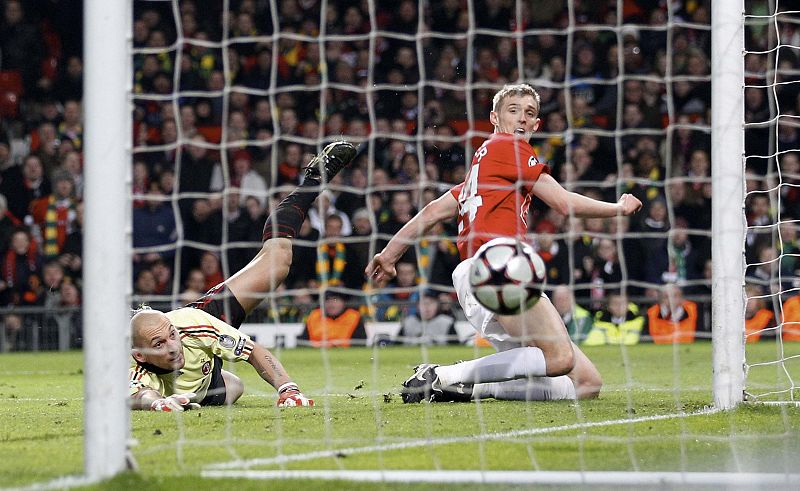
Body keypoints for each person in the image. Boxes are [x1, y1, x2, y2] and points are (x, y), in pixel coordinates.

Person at [366, 83, 642, 403]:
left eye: (530, 113)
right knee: (560, 359)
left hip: (473, 276)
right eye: (514, 111)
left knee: (586, 384)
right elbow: (563, 203)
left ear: (537, 124)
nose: (522, 120)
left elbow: (431, 212)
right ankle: (441, 375)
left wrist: (389, 255)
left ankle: (464, 387)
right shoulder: (509, 148)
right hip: (499, 267)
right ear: (495, 118)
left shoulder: (480, 172)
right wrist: (618, 209)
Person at [129, 140, 357, 411]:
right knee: (233, 388)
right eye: (159, 343)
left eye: (170, 336)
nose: (172, 346)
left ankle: (313, 180)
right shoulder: (131, 366)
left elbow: (254, 352)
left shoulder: (192, 326)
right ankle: (204, 385)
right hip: (205, 384)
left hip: (203, 322)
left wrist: (289, 390)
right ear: (140, 355)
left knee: (277, 263)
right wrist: (158, 404)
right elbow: (138, 395)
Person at [299, 291, 366, 348]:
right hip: (316, 353)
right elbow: (303, 341)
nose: (331, 305)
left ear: (343, 302)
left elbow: (360, 342)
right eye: (327, 301)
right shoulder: (314, 315)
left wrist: (335, 344)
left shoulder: (353, 316)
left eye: (335, 300)